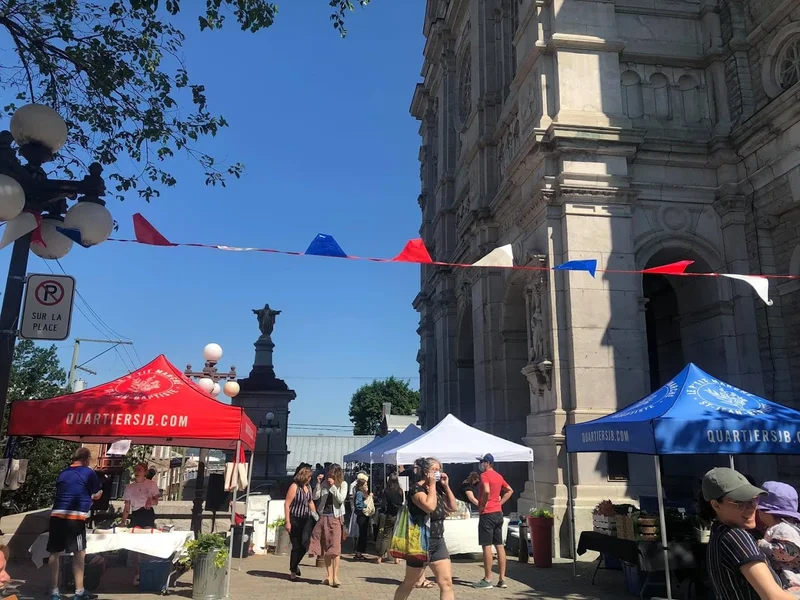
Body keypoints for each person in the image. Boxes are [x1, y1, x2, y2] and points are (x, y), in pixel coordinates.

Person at [699, 467, 797, 600]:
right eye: (739, 502)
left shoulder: (719, 532)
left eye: (753, 500)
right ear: (716, 505)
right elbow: (774, 597)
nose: (751, 508)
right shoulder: (735, 536)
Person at [393, 457, 457, 600]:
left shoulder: (438, 488)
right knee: (410, 583)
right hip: (421, 543)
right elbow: (429, 507)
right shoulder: (416, 489)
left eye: (439, 469)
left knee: (446, 583)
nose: (437, 472)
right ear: (425, 471)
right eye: (434, 469)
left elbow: (453, 507)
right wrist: (432, 486)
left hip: (438, 541)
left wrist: (446, 486)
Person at [48, 447, 102, 600]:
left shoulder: (63, 473)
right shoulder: (89, 472)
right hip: (75, 517)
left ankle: (54, 591)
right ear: (86, 459)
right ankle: (79, 591)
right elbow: (97, 494)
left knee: (54, 553)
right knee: (79, 553)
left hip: (56, 515)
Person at [473, 454, 513, 589]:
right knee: (499, 545)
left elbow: (486, 490)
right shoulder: (498, 476)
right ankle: (502, 579)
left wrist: (483, 504)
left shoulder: (485, 476)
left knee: (487, 546)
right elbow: (509, 490)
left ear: (487, 463)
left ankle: (488, 578)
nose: (480, 464)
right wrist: (500, 503)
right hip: (498, 513)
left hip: (488, 513)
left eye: (482, 462)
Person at [309, 463, 349, 587]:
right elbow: (315, 496)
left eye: (331, 475)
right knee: (326, 547)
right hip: (324, 516)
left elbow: (341, 499)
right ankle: (329, 575)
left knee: (335, 548)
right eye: (328, 475)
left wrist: (333, 486)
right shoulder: (324, 483)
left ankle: (335, 576)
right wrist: (318, 484)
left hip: (336, 517)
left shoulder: (343, 484)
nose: (329, 477)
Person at [756, 481, 800, 592]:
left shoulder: (783, 529)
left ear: (767, 512)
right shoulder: (783, 527)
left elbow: (787, 552)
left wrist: (762, 545)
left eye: (759, 510)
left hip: (792, 584)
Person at [122, 462, 160, 586]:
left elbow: (156, 501)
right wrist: (123, 521)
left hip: (147, 513)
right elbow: (127, 506)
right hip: (136, 514)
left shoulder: (151, 484)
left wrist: (151, 500)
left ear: (145, 472)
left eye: (140, 469)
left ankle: (148, 569)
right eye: (136, 469)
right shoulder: (130, 487)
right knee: (136, 545)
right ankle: (137, 573)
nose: (137, 472)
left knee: (147, 541)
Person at [284, 465, 316, 581]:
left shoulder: (308, 487)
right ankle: (293, 570)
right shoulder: (294, 487)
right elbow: (287, 504)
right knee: (296, 545)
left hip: (306, 519)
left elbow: (310, 501)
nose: (310, 479)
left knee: (305, 544)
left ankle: (295, 564)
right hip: (295, 519)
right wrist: (287, 521)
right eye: (309, 477)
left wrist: (315, 514)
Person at [376, 473, 404, 564]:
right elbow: (402, 502)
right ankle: (396, 558)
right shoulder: (400, 490)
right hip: (398, 515)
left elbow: (383, 504)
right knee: (396, 536)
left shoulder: (386, 491)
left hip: (389, 515)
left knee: (386, 536)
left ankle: (380, 556)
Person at [353, 478, 372, 560]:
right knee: (362, 534)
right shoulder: (359, 493)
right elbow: (358, 504)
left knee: (363, 534)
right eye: (365, 485)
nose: (366, 486)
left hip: (364, 515)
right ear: (361, 486)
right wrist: (366, 505)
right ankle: (359, 552)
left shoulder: (363, 493)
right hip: (361, 516)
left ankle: (360, 552)